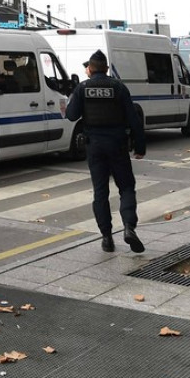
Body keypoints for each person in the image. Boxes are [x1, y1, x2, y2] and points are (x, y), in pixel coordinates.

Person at [65, 49, 146, 254]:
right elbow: (134, 119)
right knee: (126, 187)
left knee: (100, 192)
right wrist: (140, 147)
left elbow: (71, 115)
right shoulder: (118, 87)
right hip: (117, 144)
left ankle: (107, 238)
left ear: (90, 69)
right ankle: (129, 227)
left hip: (94, 147)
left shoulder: (82, 88)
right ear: (107, 68)